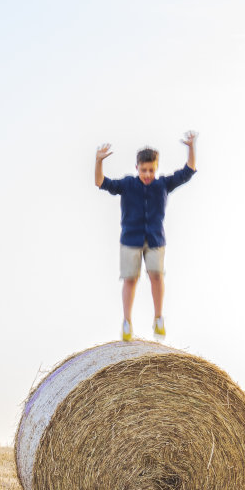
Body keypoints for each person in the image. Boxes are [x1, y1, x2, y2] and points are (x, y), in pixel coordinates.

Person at [93, 132, 198, 341]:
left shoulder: (163, 185)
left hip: (155, 239)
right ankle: (126, 322)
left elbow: (188, 171)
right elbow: (100, 182)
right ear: (137, 168)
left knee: (156, 275)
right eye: (144, 170)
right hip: (130, 239)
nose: (148, 174)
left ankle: (158, 318)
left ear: (156, 168)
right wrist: (98, 161)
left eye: (151, 170)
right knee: (130, 279)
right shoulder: (127, 185)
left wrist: (191, 148)